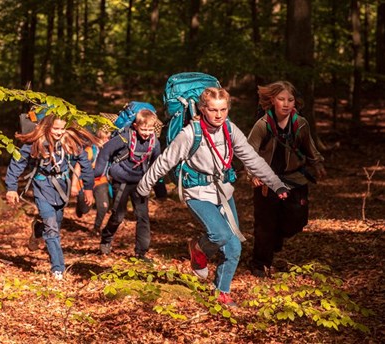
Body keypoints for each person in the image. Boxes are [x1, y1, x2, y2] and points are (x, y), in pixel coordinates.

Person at [137, 87, 289, 307]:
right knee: (220, 234)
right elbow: (164, 161)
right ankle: (198, 250)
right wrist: (144, 186)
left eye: (224, 109)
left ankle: (221, 292)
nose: (219, 115)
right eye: (213, 110)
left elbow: (251, 158)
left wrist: (276, 184)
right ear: (202, 109)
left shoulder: (229, 129)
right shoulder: (190, 133)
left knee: (234, 247)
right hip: (197, 193)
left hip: (223, 191)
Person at [247, 81, 326, 278]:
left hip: (295, 179)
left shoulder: (301, 124)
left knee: (297, 221)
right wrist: (253, 174)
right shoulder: (262, 125)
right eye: (281, 99)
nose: (285, 103)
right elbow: (248, 152)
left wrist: (317, 164)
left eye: (290, 100)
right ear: (272, 100)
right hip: (267, 181)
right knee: (265, 224)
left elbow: (310, 147)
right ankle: (259, 264)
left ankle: (277, 238)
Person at [5, 115, 97, 280]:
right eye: (56, 129)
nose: (59, 132)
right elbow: (17, 162)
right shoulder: (36, 142)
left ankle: (37, 229)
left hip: (62, 187)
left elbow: (85, 164)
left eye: (62, 129)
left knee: (55, 223)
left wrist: (88, 188)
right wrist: (11, 188)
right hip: (42, 187)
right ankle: (58, 269)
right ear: (47, 127)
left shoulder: (70, 142)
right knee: (52, 227)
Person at [94, 109, 161, 262]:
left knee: (142, 216)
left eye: (150, 129)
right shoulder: (124, 138)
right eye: (143, 129)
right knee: (118, 215)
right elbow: (105, 151)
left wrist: (159, 186)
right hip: (121, 180)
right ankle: (106, 238)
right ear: (136, 126)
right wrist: (98, 172)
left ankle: (141, 253)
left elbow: (158, 163)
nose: (146, 133)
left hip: (141, 182)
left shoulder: (154, 142)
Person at [71, 127, 112, 234]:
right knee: (85, 209)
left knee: (104, 206)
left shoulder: (110, 150)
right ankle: (80, 207)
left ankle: (96, 228)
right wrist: (74, 185)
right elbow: (78, 167)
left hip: (101, 181)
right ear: (96, 139)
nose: (106, 141)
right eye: (103, 139)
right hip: (85, 182)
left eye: (108, 138)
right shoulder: (90, 150)